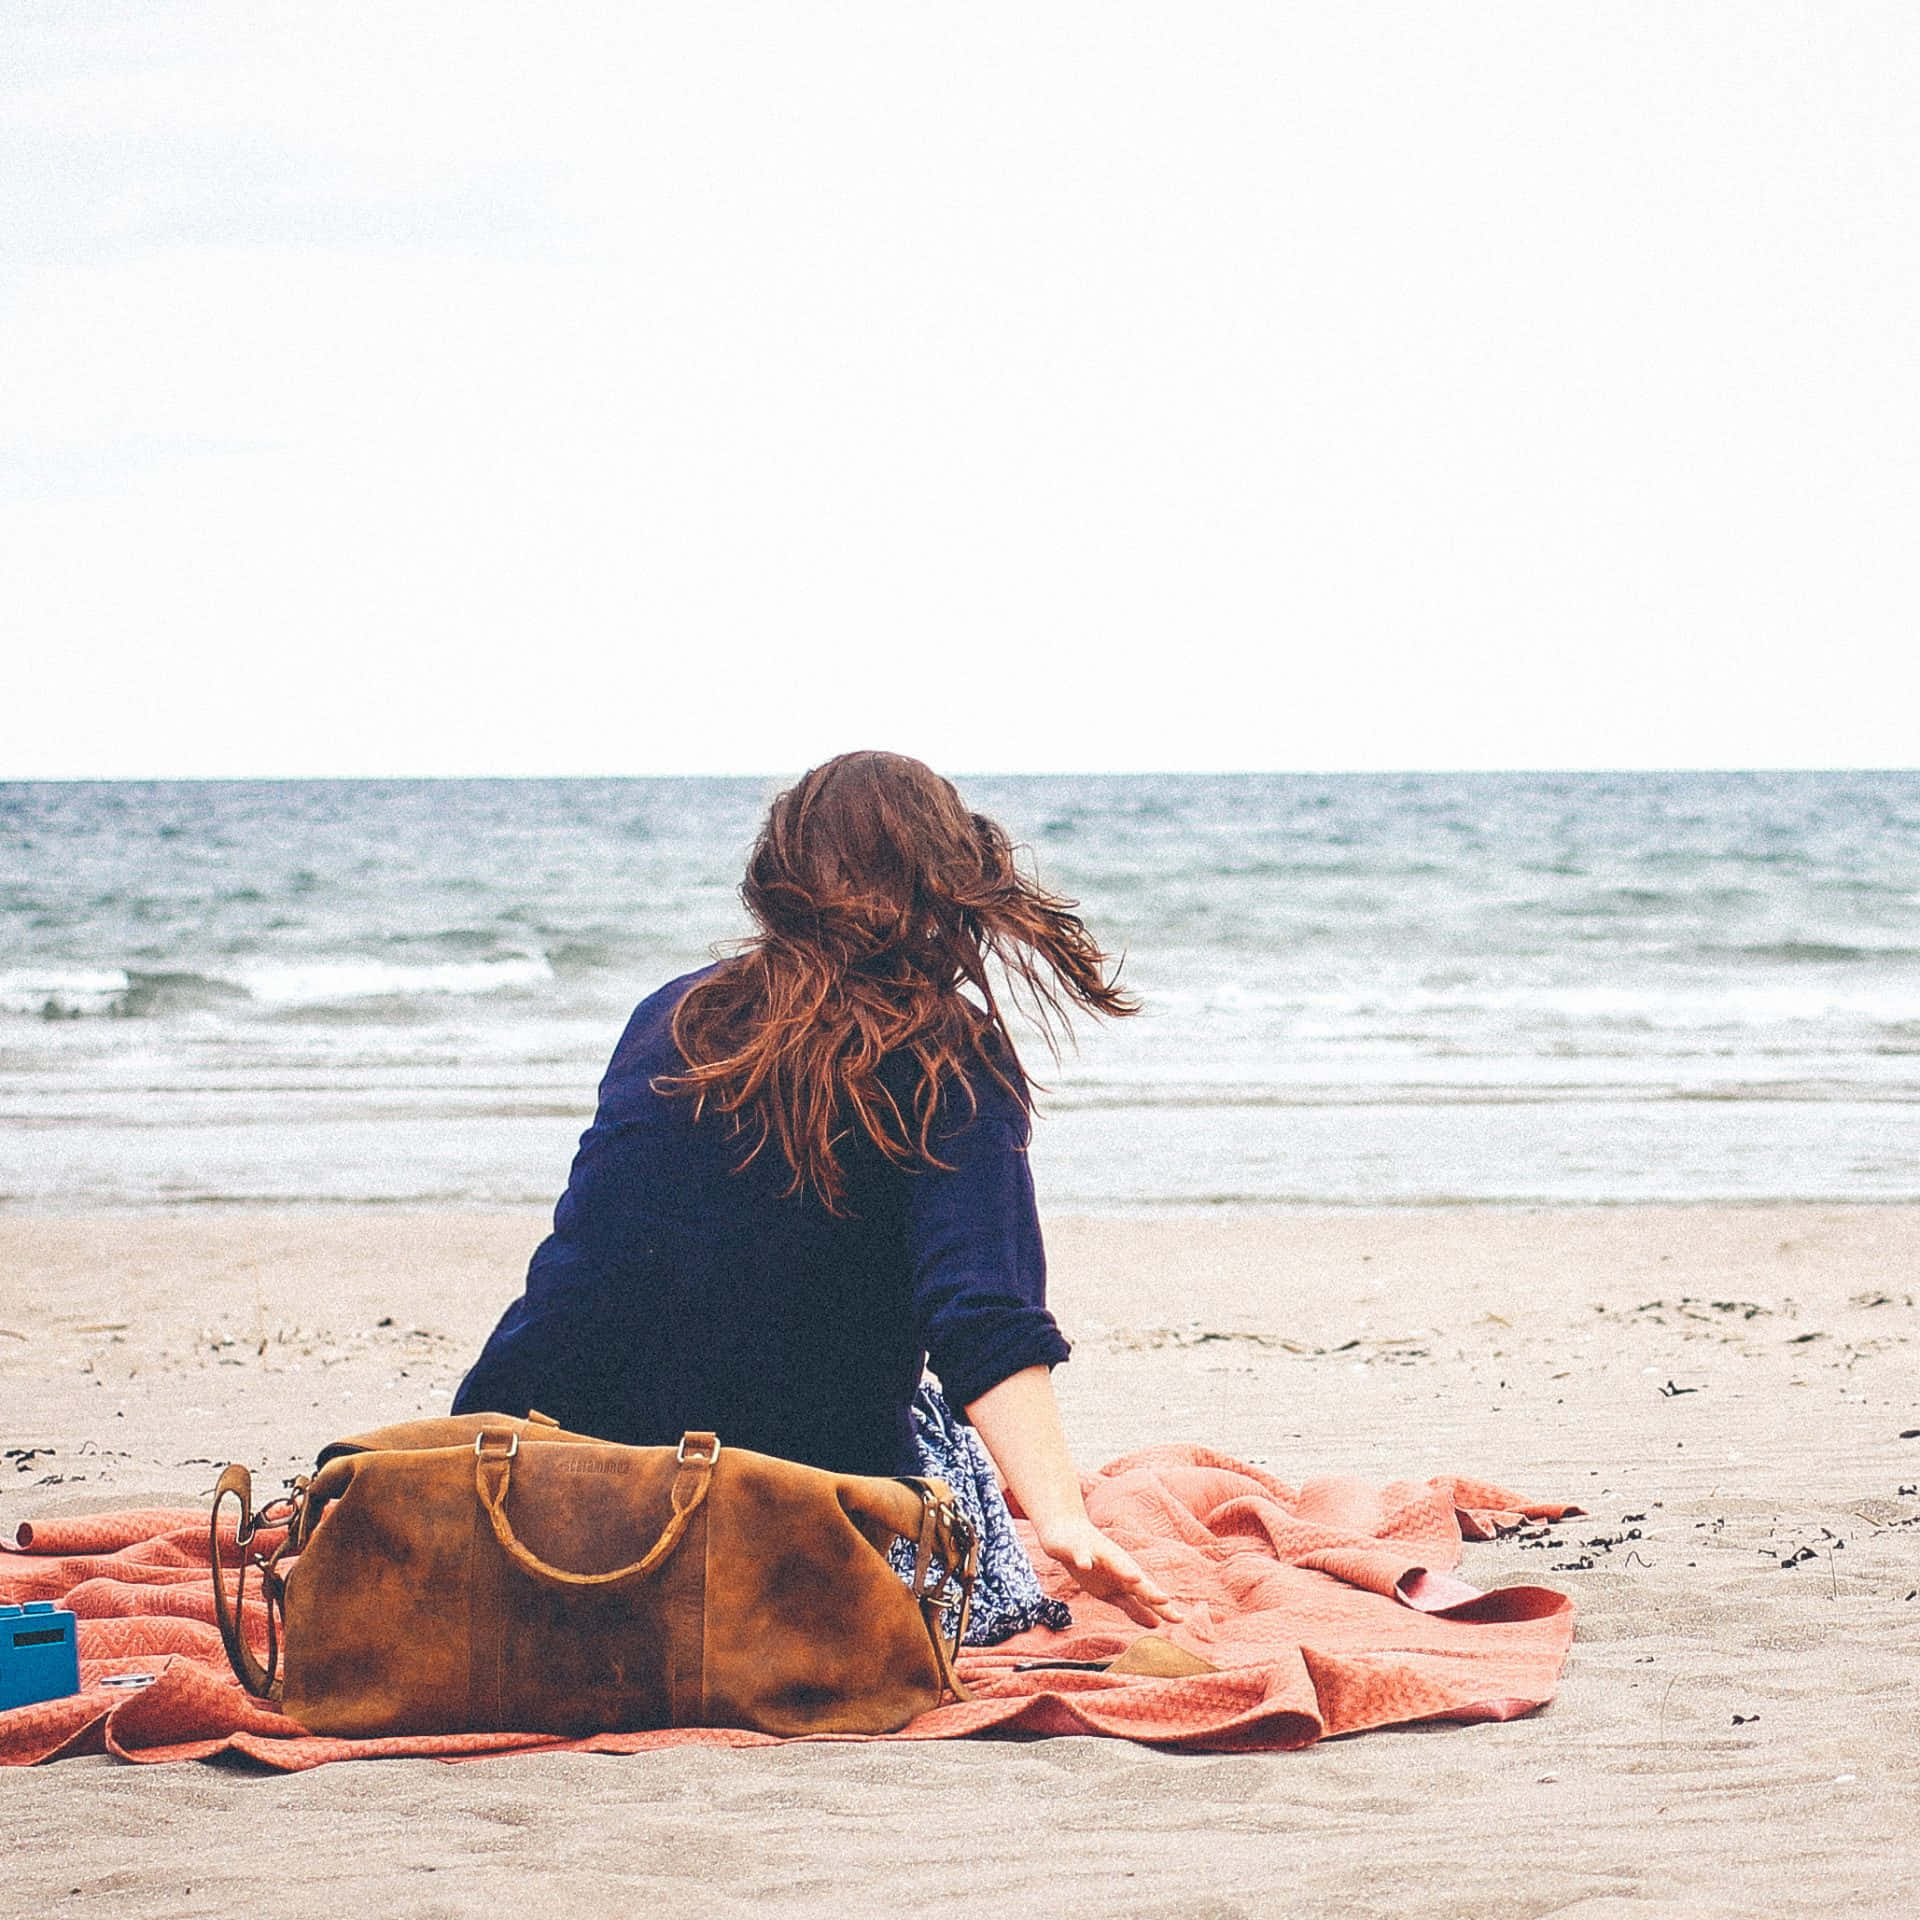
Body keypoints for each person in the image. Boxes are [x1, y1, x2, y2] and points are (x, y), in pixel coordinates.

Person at [454, 750, 1180, 1641]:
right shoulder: (949, 1049)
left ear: (780, 874)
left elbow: (585, 1266)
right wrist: (1064, 1523)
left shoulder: (670, 1017)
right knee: (945, 1452)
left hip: (580, 1497)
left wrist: (471, 1447)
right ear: (948, 876)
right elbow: (982, 1314)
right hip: (800, 1520)